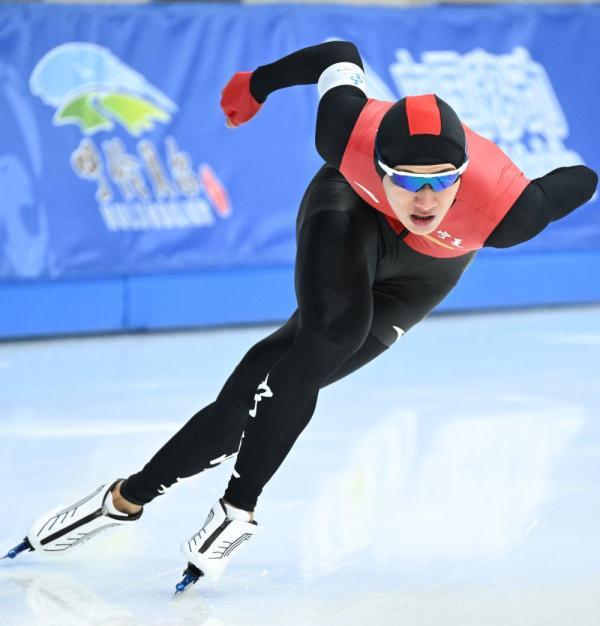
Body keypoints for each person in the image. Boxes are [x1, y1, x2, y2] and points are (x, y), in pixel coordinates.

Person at [8, 41, 597, 588]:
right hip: (350, 209)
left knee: (258, 392)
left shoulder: (510, 212)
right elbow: (339, 54)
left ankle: (126, 498)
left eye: (441, 182)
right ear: (379, 164)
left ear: (462, 176)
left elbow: (581, 179)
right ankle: (230, 510)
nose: (424, 201)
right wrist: (256, 85)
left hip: (423, 275)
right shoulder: (345, 132)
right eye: (407, 180)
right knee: (332, 333)